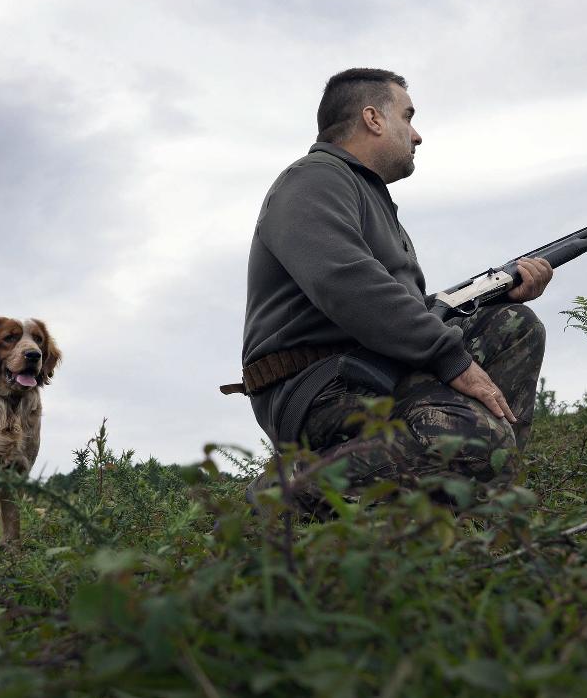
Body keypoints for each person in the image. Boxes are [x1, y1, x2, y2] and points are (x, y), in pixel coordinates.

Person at [233, 68, 553, 509]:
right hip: (323, 386)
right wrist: (449, 356)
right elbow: (346, 283)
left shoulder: (369, 198)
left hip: (375, 367)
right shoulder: (313, 179)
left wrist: (501, 292)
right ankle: (283, 499)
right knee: (474, 437)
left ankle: (482, 504)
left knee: (512, 324)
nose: (417, 135)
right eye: (408, 116)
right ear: (373, 119)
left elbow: (406, 308)